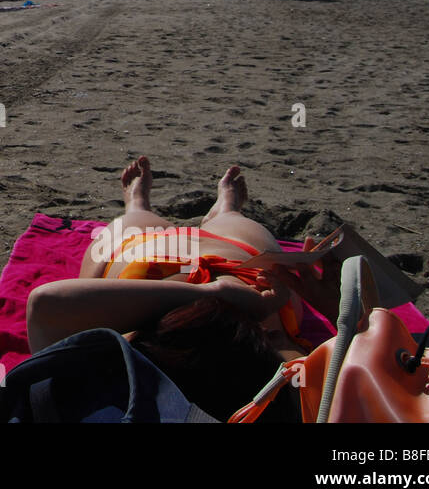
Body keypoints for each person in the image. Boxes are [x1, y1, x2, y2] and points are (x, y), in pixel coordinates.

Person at [26, 156, 332, 420]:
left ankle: (139, 202)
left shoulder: (123, 380)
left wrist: (213, 294)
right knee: (229, 218)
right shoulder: (287, 390)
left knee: (134, 219)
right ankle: (225, 208)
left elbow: (45, 304)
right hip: (238, 265)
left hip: (153, 265)